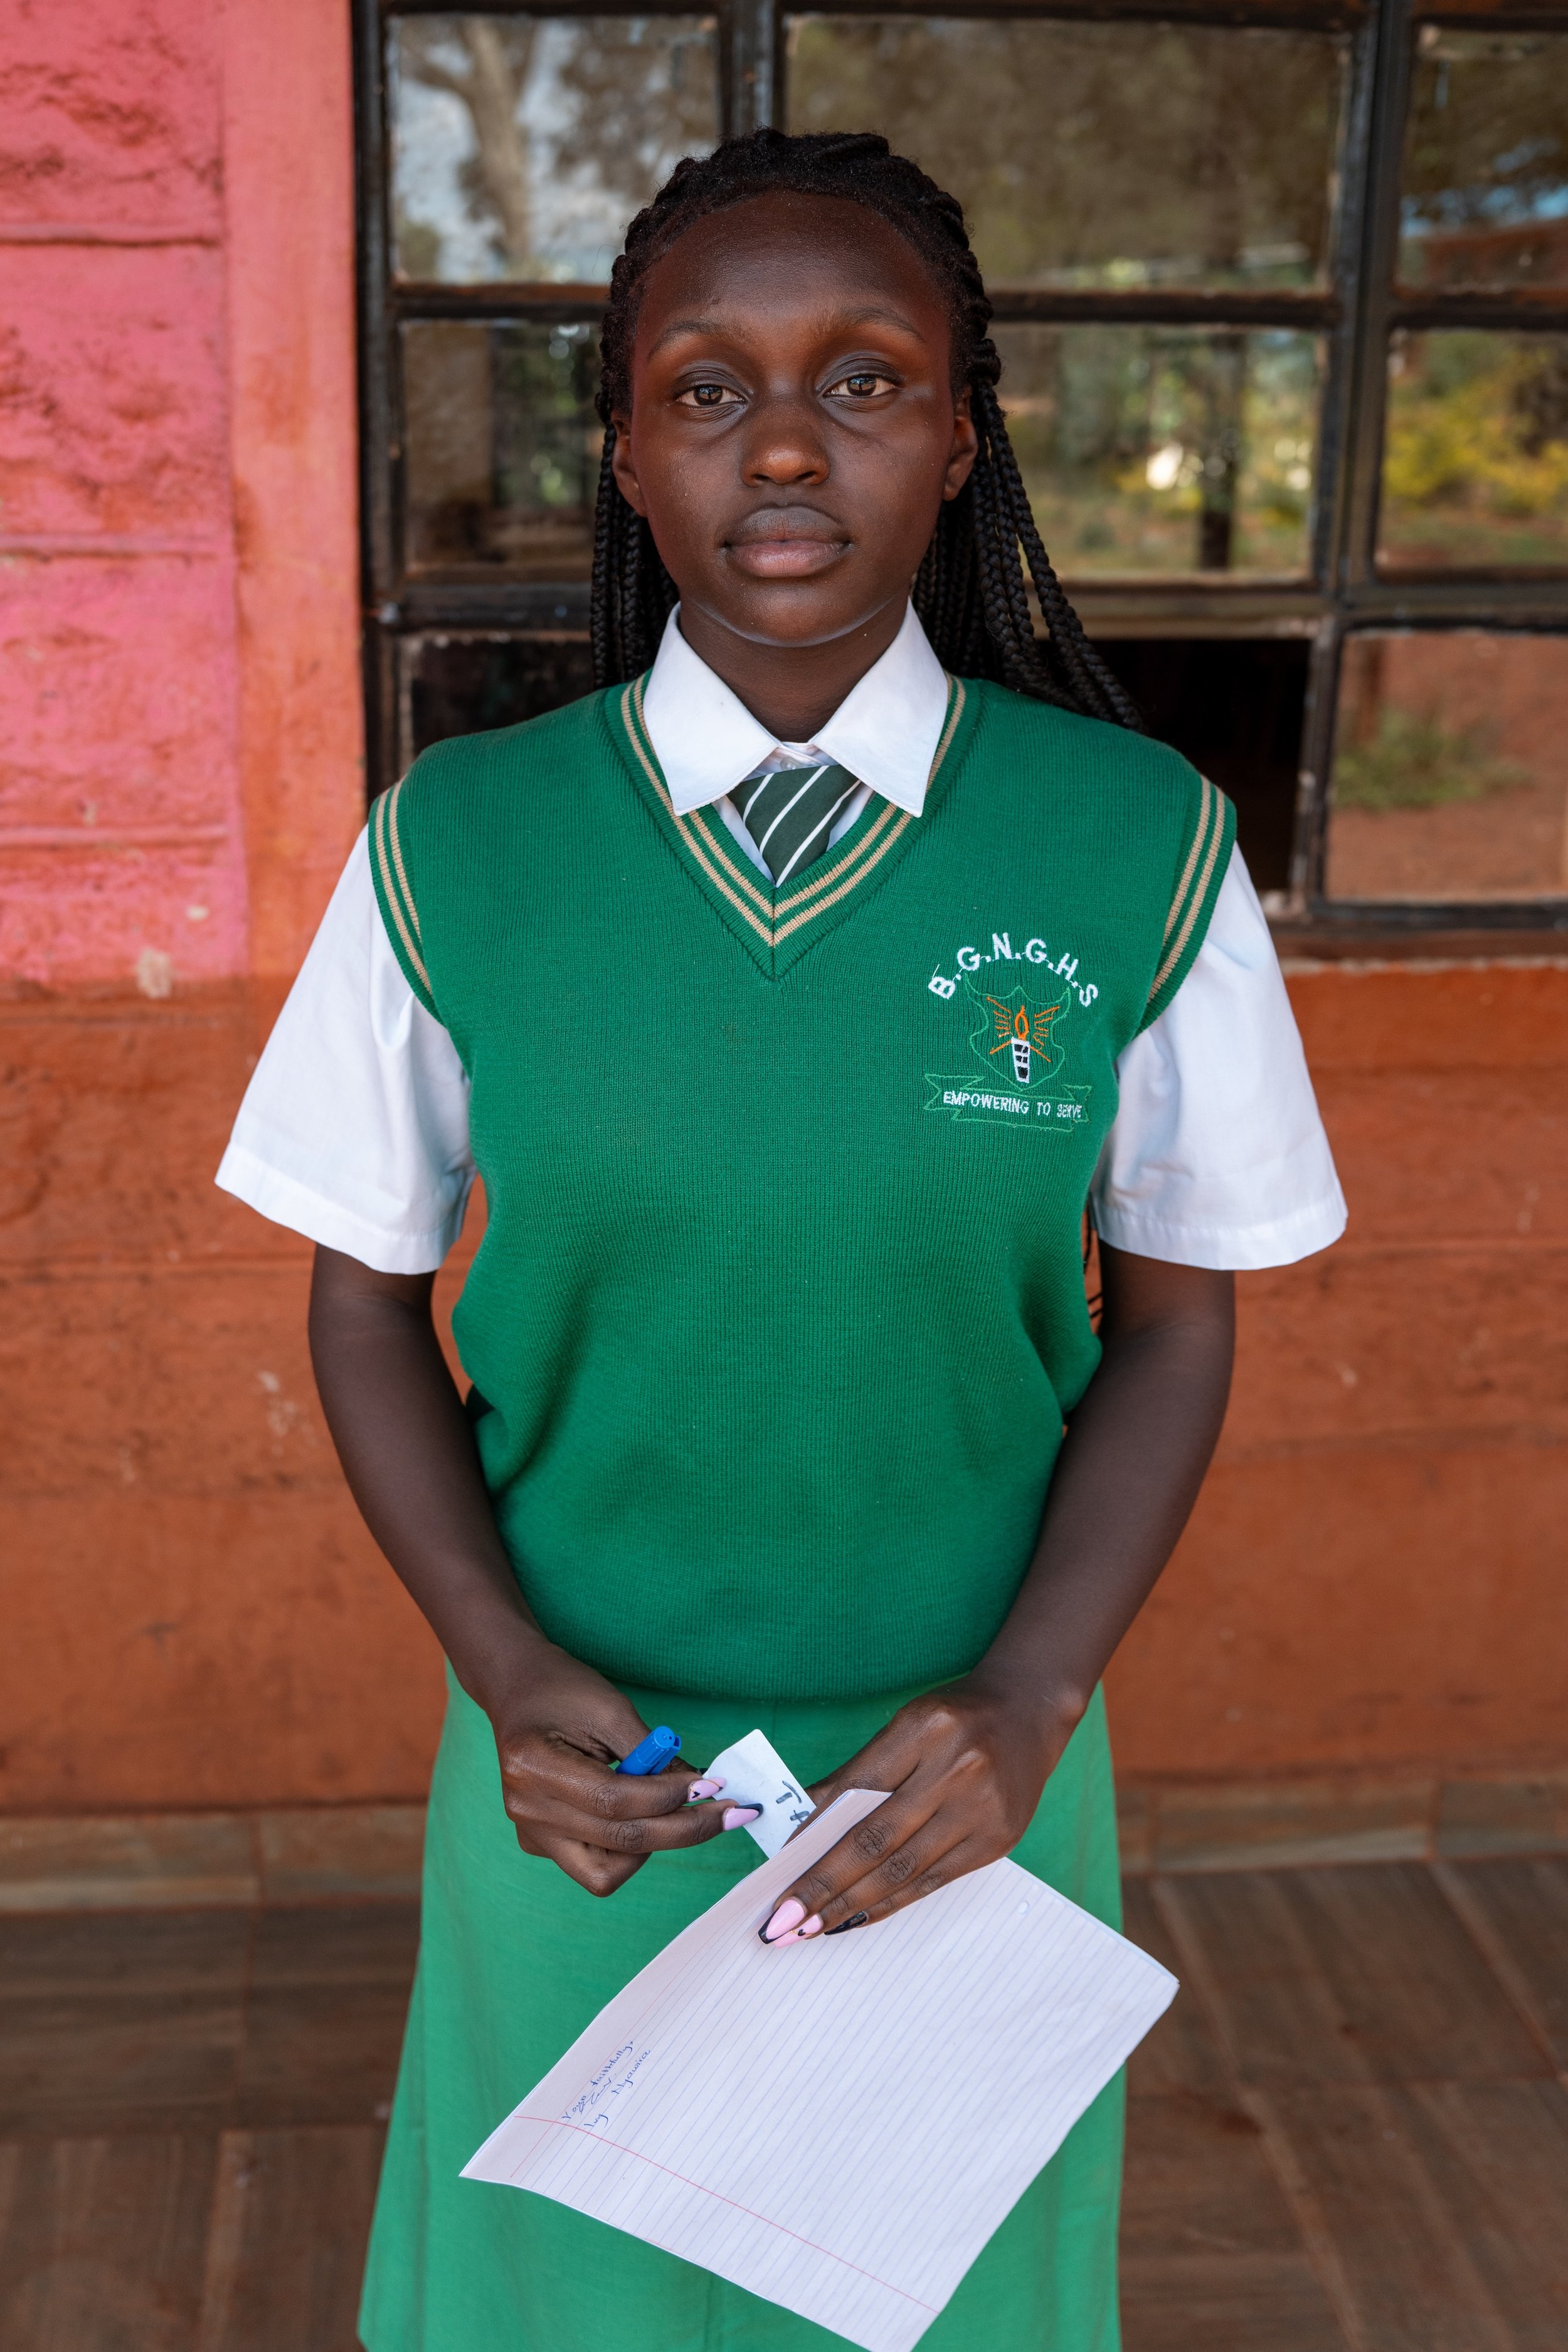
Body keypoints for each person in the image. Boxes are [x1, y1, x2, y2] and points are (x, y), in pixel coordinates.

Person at [218, 129, 1344, 2352]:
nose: (788, 442)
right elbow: (359, 1307)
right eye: (708, 389)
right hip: (587, 1783)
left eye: (866, 376)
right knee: (562, 2308)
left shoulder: (1135, 846)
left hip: (961, 1780)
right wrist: (504, 1672)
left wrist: (1030, 1696)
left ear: (961, 434)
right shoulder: (466, 845)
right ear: (625, 452)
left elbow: (1175, 1329)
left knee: (938, 2302)